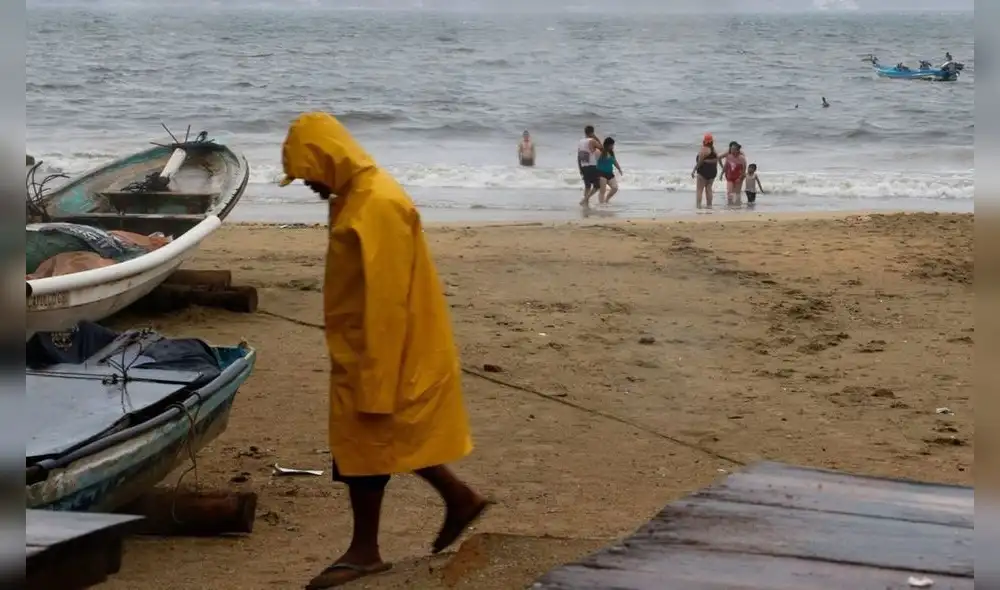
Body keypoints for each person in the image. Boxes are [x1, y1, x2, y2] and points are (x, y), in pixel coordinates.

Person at [277, 112, 492, 590]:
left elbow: (387, 300)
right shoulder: (357, 197)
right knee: (378, 439)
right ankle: (458, 498)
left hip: (386, 347)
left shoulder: (375, 205)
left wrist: (377, 373)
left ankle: (366, 551)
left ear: (328, 159)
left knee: (367, 444)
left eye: (308, 174)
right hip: (364, 345)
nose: (308, 185)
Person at [691, 133, 719, 209]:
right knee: (709, 189)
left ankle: (698, 206)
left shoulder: (704, 150)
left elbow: (700, 162)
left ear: (704, 141)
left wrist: (694, 170)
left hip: (703, 171)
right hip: (712, 172)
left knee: (699, 190)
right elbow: (717, 160)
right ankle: (709, 206)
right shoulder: (714, 150)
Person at [577, 125, 602, 207]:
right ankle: (584, 200)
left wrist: (580, 168)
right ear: (592, 132)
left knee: (587, 186)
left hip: (583, 165)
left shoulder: (580, 142)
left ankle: (586, 204)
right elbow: (602, 148)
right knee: (597, 186)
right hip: (592, 166)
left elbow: (579, 156)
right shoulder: (592, 141)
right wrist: (596, 137)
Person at [719, 141, 747, 206]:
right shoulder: (729, 156)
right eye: (731, 149)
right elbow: (726, 166)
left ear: (737, 150)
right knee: (729, 192)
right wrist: (721, 174)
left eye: (733, 149)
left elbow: (744, 169)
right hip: (730, 176)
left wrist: (740, 178)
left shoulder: (742, 158)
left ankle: (737, 205)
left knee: (737, 193)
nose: (731, 150)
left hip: (738, 177)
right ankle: (730, 204)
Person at [596, 137, 623, 204]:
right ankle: (601, 204)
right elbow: (594, 161)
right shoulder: (600, 152)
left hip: (610, 173)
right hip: (601, 173)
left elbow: (614, 161)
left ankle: (606, 200)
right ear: (608, 145)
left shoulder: (611, 152)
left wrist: (619, 169)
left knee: (615, 188)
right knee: (603, 190)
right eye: (612, 145)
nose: (613, 146)